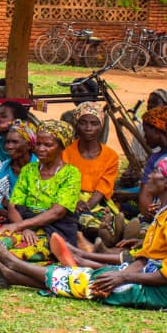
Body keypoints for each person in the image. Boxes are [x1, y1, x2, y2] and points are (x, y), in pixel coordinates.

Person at [0, 158, 167, 312]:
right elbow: (144, 258)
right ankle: (10, 275)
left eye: (155, 173)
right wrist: (119, 273)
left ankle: (11, 264)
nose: (150, 176)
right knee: (103, 276)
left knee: (95, 282)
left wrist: (123, 277)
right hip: (153, 277)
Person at [0, 120, 81, 262]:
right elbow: (13, 206)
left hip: (54, 228)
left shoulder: (71, 174)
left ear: (62, 147)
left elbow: (57, 212)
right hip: (25, 223)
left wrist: (20, 225)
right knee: (1, 239)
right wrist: (24, 229)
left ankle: (0, 260)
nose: (40, 149)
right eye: (38, 144)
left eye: (48, 145)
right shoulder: (28, 170)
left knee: (28, 250)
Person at [62, 102, 120, 242]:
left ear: (101, 126)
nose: (88, 128)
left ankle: (108, 230)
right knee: (78, 218)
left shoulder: (111, 156)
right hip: (70, 198)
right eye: (83, 123)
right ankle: (103, 233)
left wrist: (88, 205)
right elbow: (62, 182)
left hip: (97, 201)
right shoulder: (66, 152)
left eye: (94, 123)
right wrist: (76, 202)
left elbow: (103, 187)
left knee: (101, 214)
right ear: (76, 124)